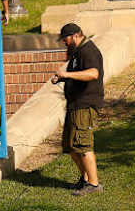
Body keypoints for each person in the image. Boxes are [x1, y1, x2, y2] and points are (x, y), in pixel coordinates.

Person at [51, 23, 104, 196]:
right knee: (71, 146)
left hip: (85, 104)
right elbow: (78, 75)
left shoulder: (88, 50)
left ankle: (94, 185)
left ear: (75, 35)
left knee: (83, 144)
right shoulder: (77, 52)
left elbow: (93, 73)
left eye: (65, 39)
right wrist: (62, 79)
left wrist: (67, 74)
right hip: (74, 105)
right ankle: (86, 179)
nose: (64, 42)